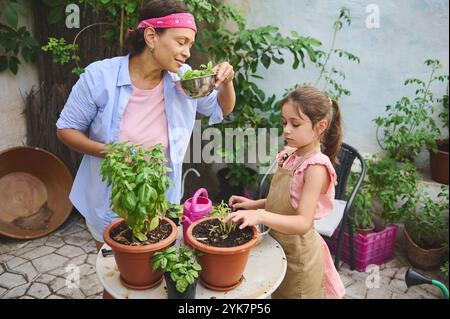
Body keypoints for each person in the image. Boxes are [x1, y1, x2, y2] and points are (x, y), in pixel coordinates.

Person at [56, 0, 236, 252]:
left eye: (190, 45)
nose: (187, 52)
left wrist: (226, 81)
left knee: (154, 275)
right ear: (151, 36)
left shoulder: (184, 79)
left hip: (161, 197)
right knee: (114, 272)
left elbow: (221, 108)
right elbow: (66, 130)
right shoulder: (100, 77)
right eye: (181, 41)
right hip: (112, 195)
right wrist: (114, 152)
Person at [224, 85, 346, 299]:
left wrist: (260, 215)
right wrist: (254, 205)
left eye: (295, 124)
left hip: (299, 259)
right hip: (278, 247)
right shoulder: (291, 155)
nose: (286, 129)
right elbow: (288, 199)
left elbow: (301, 222)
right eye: (284, 122)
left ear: (320, 126)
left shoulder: (315, 167)